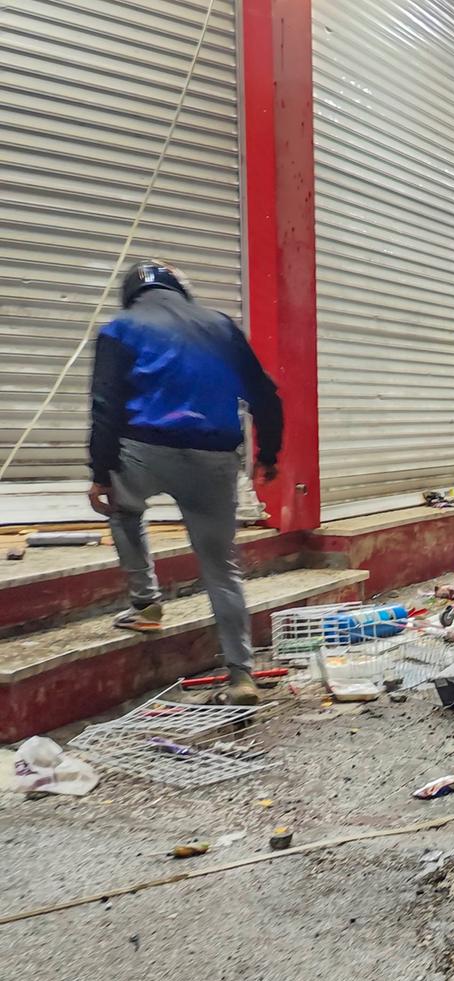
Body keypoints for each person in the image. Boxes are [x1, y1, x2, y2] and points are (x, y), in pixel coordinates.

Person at [87, 260, 284, 705]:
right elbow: (265, 395)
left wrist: (100, 475)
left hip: (143, 452)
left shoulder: (120, 329)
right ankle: (241, 675)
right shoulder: (220, 326)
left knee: (123, 510)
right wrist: (269, 454)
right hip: (212, 459)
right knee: (221, 568)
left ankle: (145, 604)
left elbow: (105, 405)